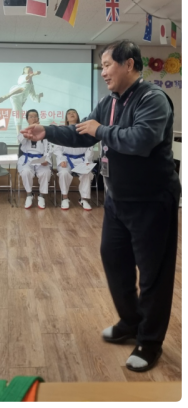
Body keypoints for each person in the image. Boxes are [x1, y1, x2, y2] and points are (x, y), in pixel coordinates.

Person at [22, 40, 180, 373]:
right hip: (117, 200)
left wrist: (102, 130)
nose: (104, 71)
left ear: (129, 65)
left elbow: (141, 140)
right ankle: (131, 322)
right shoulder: (108, 102)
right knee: (114, 261)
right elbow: (82, 133)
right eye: (102, 65)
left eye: (108, 65)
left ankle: (150, 342)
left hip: (152, 202)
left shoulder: (152, 98)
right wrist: (46, 131)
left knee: (153, 274)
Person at [55, 108, 95, 211]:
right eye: (69, 113)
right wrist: (61, 159)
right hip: (66, 160)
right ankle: (65, 198)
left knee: (87, 173)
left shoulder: (84, 130)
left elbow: (89, 147)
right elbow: (57, 148)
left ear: (77, 116)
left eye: (74, 113)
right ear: (66, 118)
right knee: (64, 173)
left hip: (81, 159)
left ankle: (83, 199)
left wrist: (87, 161)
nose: (71, 114)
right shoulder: (62, 131)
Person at [18, 109, 51, 209]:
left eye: (35, 116)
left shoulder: (45, 131)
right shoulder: (23, 131)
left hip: (41, 158)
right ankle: (29, 195)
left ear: (38, 118)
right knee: (26, 172)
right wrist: (28, 132)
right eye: (31, 117)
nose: (33, 118)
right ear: (27, 119)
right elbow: (21, 140)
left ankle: (42, 196)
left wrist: (46, 159)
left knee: (46, 172)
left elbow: (48, 148)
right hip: (27, 158)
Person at [0, 66, 43, 133]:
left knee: (18, 115)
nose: (30, 72)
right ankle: (6, 96)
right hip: (15, 95)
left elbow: (33, 97)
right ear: (24, 72)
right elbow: (26, 77)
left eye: (30, 70)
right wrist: (34, 74)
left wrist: (39, 96)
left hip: (21, 100)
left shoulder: (31, 85)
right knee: (22, 88)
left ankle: (18, 135)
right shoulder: (22, 77)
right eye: (28, 71)